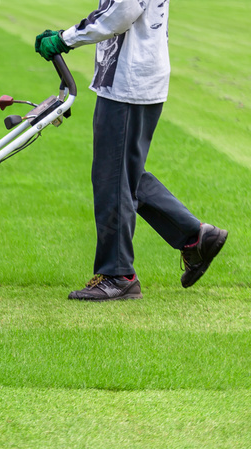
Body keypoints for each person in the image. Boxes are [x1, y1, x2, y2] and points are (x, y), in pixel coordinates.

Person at [36, 1, 228, 301]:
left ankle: (118, 274)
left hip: (129, 80)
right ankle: (196, 238)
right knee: (127, 175)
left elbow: (121, 13)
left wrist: (65, 38)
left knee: (112, 178)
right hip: (137, 76)